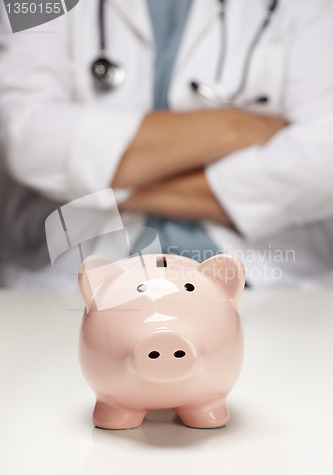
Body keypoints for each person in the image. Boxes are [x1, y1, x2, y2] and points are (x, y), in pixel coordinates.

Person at [0, 0, 333, 289]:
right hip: (71, 282)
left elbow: (322, 159)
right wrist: (234, 127)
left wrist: (103, 185)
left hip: (264, 282)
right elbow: (26, 134)